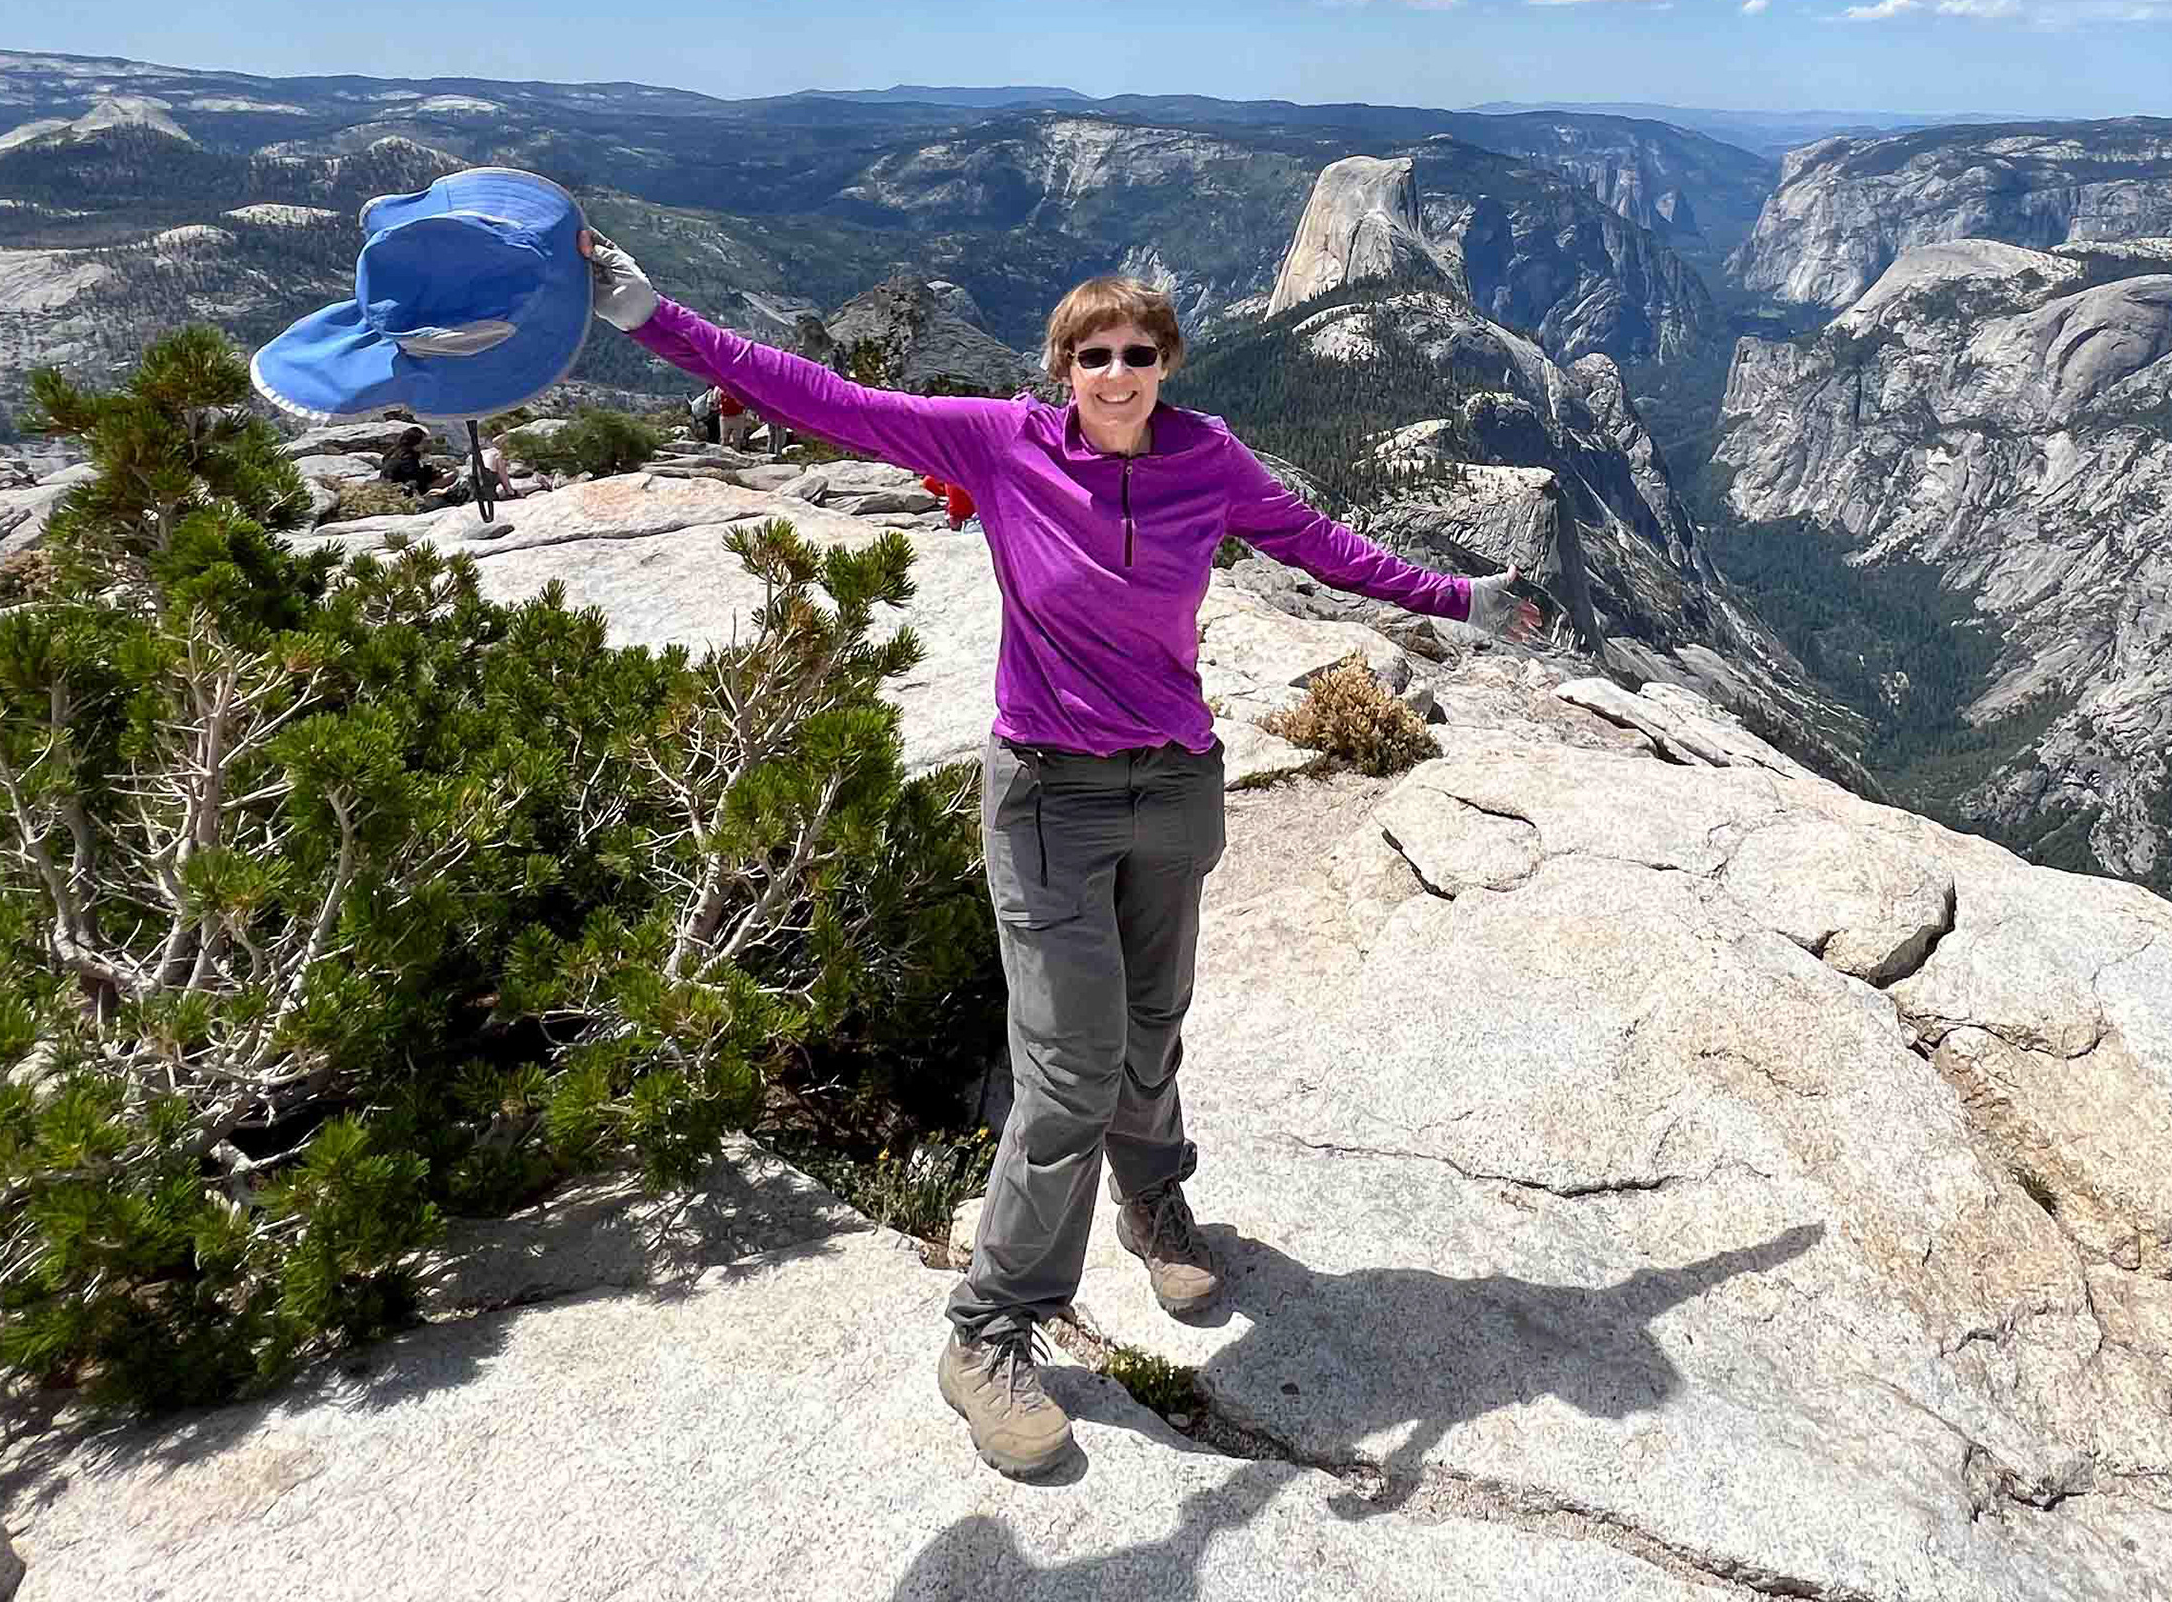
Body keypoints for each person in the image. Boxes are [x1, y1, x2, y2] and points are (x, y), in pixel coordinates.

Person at [574, 227, 1541, 1480]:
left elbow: (1318, 544)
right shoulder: (1000, 444)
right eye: (1095, 356)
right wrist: (652, 316)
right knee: (1069, 1070)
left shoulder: (1209, 459)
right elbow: (825, 399)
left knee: (1152, 1022)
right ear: (1062, 368)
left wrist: (1456, 598)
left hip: (1176, 785)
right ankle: (990, 1330)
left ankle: (1152, 1199)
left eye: (1138, 353)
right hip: (1046, 799)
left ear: (1166, 363)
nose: (1117, 374)